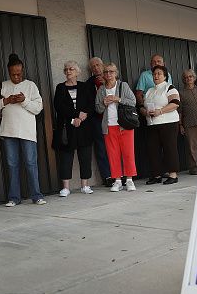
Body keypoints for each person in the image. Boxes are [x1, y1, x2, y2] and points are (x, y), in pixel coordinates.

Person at [0, 54, 46, 207]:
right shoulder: (1, 86)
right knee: (12, 165)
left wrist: (24, 100)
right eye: (13, 74)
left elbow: (38, 108)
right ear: (9, 71)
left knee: (31, 163)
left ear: (23, 70)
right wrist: (6, 100)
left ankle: (36, 195)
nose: (17, 76)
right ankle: (14, 197)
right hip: (8, 131)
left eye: (19, 73)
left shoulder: (30, 85)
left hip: (27, 131)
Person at [53, 61, 95, 197]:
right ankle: (65, 187)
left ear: (77, 72)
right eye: (66, 69)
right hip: (66, 127)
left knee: (85, 155)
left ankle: (85, 185)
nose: (68, 71)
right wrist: (76, 115)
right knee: (66, 156)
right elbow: (59, 107)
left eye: (71, 69)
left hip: (84, 126)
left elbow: (91, 104)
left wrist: (81, 117)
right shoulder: (60, 88)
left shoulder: (85, 87)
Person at [95, 62, 137, 192]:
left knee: (128, 153)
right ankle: (117, 181)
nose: (108, 74)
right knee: (113, 154)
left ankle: (129, 180)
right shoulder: (101, 89)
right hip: (109, 126)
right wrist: (104, 103)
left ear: (116, 73)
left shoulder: (122, 85)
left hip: (124, 124)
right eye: (106, 72)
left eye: (111, 72)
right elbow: (97, 108)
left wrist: (118, 99)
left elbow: (133, 101)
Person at [141, 65, 180, 185]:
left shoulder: (169, 88)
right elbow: (142, 107)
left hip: (168, 123)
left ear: (165, 76)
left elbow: (175, 103)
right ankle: (156, 175)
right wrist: (145, 112)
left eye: (159, 74)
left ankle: (173, 175)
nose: (156, 76)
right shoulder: (149, 91)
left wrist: (160, 111)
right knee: (153, 150)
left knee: (169, 148)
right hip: (152, 123)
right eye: (154, 74)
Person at [85, 57, 112, 187]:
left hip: (113, 118)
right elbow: (88, 103)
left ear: (103, 65)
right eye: (93, 66)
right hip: (97, 120)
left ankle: (119, 175)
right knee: (101, 148)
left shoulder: (111, 79)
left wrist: (105, 83)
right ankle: (107, 176)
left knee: (114, 147)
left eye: (98, 65)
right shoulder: (88, 83)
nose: (96, 68)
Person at [178, 69, 197, 175]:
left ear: (194, 78)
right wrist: (180, 125)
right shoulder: (180, 93)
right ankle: (193, 168)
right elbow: (179, 111)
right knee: (192, 148)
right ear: (183, 80)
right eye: (186, 77)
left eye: (190, 76)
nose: (188, 79)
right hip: (190, 124)